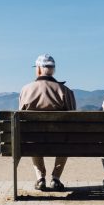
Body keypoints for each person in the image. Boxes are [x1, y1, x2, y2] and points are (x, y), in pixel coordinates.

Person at [19, 54, 76, 191]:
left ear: (38, 69)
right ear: (53, 70)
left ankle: (40, 178)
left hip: (35, 141)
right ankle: (55, 178)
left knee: (32, 137)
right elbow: (74, 118)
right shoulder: (65, 91)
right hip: (59, 140)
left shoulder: (26, 90)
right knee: (66, 139)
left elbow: (20, 119)